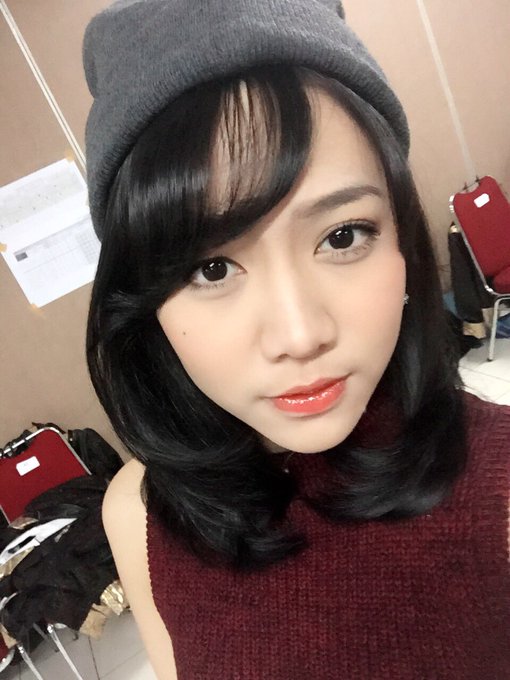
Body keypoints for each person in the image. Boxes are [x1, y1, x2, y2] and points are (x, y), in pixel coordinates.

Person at [82, 1, 510, 678]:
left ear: (402, 239)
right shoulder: (138, 512)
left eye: (342, 236)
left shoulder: (499, 484)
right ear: (146, 305)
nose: (300, 335)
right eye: (211, 268)